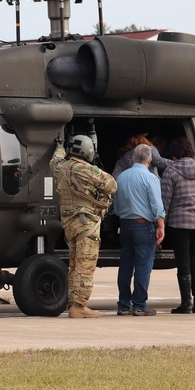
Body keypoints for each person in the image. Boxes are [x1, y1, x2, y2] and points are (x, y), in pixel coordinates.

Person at [50, 135, 117, 318]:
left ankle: (73, 303)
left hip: (69, 225)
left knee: (74, 265)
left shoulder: (61, 168)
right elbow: (112, 185)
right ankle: (79, 306)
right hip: (86, 224)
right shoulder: (87, 170)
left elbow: (55, 160)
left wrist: (59, 146)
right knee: (85, 266)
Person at [160, 137, 195, 314]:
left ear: (175, 153)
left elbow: (165, 201)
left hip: (179, 223)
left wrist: (161, 223)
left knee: (183, 263)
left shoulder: (170, 171)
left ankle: (186, 303)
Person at [113, 144, 166, 316]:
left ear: (133, 159)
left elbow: (117, 206)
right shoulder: (151, 178)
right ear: (150, 160)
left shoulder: (121, 178)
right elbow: (157, 206)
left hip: (125, 224)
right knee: (143, 266)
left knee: (125, 266)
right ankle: (139, 305)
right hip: (143, 225)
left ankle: (123, 304)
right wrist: (161, 225)